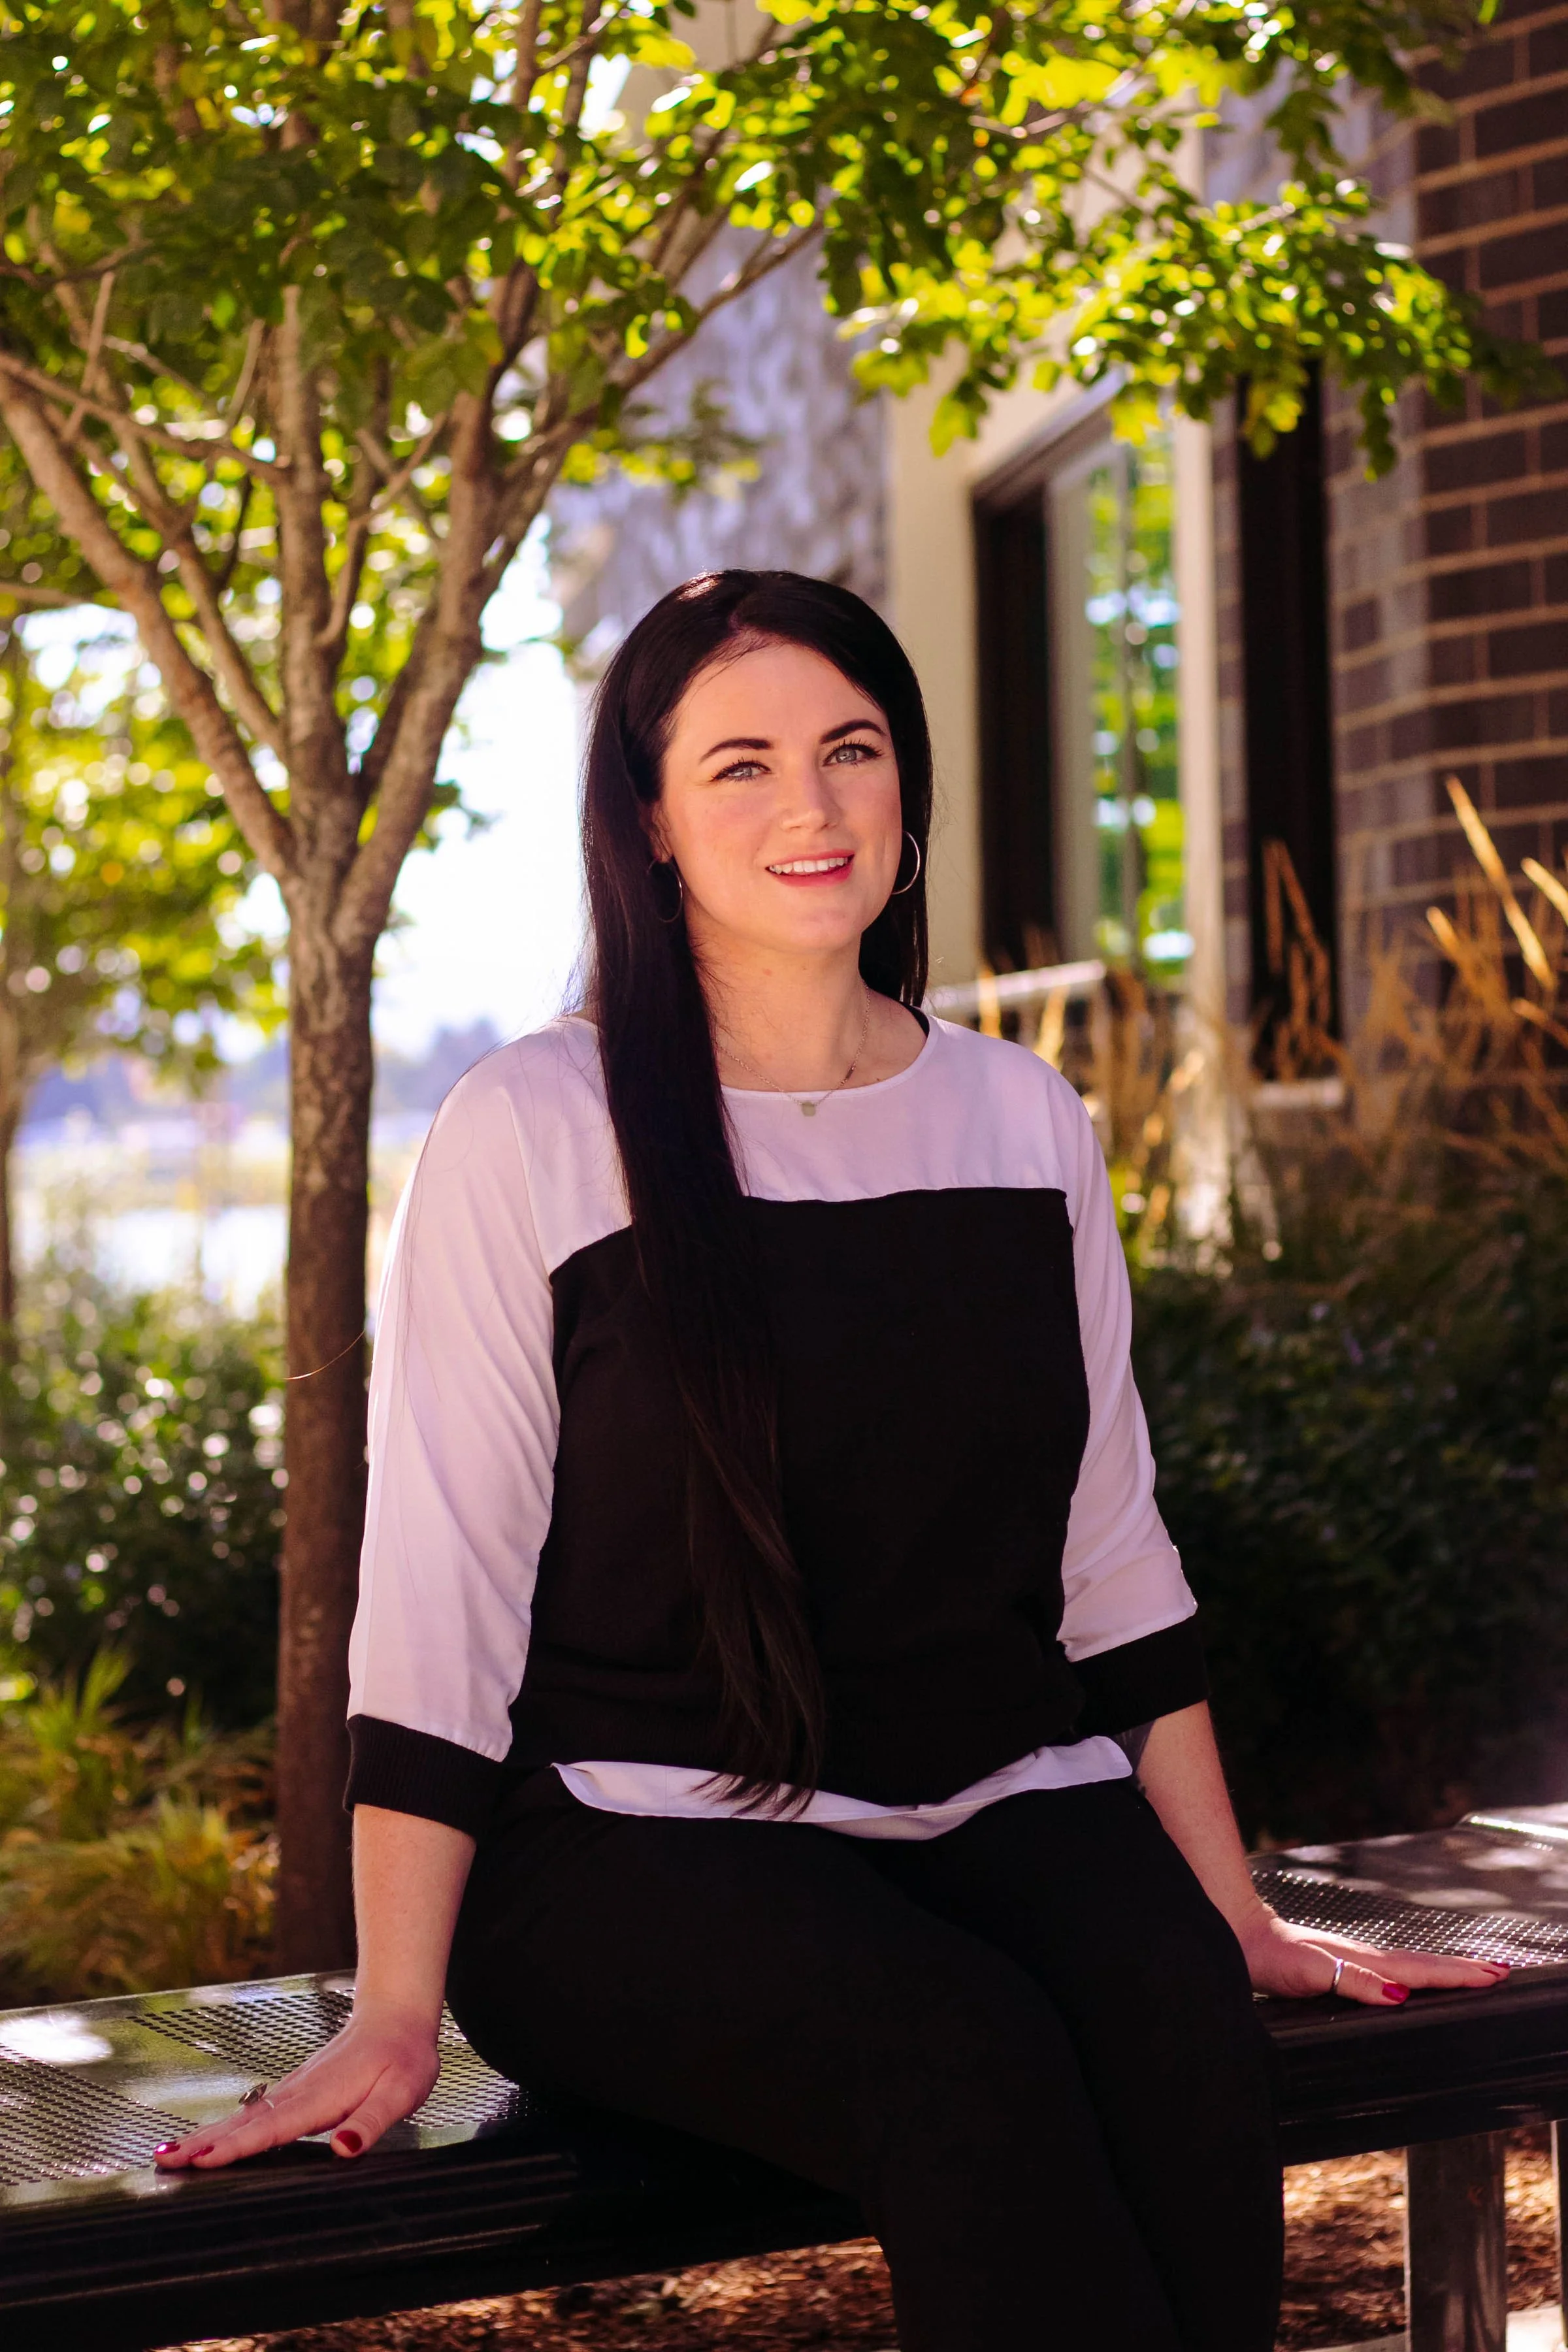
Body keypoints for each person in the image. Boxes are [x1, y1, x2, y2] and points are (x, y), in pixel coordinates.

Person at [155, 570, 1508, 2350]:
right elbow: (441, 1603)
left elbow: (1111, 1562)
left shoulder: (1023, 1123)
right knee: (970, 2067)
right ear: (646, 822)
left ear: (906, 785)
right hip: (630, 1842)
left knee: (1181, 2021)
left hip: (986, 1797)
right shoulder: (536, 1133)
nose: (812, 805)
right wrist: (398, 2003)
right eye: (741, 764)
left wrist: (1233, 1906)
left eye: (852, 750)